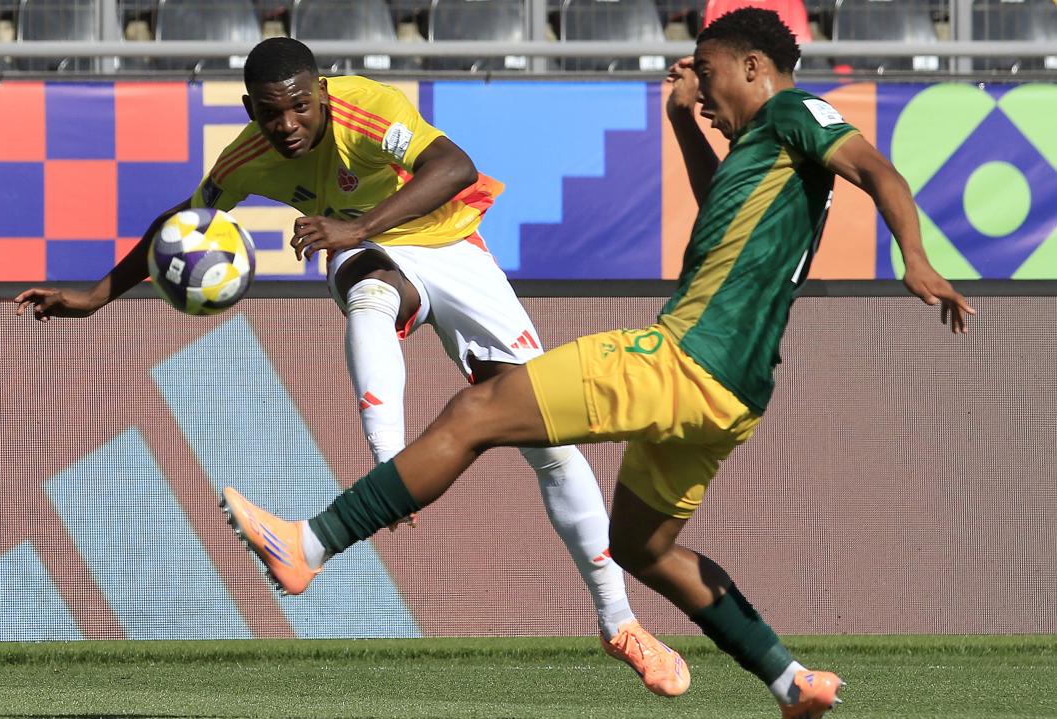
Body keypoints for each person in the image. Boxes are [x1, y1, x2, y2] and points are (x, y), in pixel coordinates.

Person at [218, 10, 975, 719]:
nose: (700, 90)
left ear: (753, 66)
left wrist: (914, 257)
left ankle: (309, 544)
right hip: (733, 397)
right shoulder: (765, 154)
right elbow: (722, 208)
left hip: (679, 358)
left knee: (477, 412)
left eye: (705, 74)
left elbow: (878, 169)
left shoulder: (794, 113)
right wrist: (682, 121)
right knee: (644, 547)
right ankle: (789, 681)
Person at [13, 37, 686, 696]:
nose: (288, 125)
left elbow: (454, 165)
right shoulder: (246, 158)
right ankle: (392, 465)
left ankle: (619, 622)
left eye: (300, 107)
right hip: (367, 255)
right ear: (251, 109)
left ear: (321, 93)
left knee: (555, 448)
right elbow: (186, 223)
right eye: (272, 113)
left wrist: (355, 227)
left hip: (450, 247)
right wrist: (97, 295)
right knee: (368, 292)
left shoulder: (367, 110)